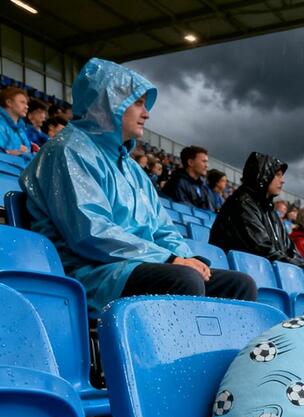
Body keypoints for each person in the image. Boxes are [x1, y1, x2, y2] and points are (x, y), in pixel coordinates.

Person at [21, 58, 256, 317]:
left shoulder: (131, 167)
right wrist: (168, 259)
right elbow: (91, 232)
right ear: (109, 103)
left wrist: (188, 258)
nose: (147, 113)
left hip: (136, 264)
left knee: (239, 285)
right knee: (184, 279)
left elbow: (162, 228)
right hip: (90, 271)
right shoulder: (68, 151)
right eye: (138, 103)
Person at [209, 151, 304, 268]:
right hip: (240, 270)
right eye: (278, 175)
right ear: (263, 175)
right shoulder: (242, 204)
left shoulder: (269, 210)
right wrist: (301, 266)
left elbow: (290, 249)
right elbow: (262, 250)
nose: (282, 180)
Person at [161, 144, 215, 210]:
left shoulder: (203, 187)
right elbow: (184, 210)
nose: (207, 165)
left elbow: (209, 211)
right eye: (204, 161)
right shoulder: (177, 183)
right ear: (190, 162)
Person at [0, 86, 32, 158]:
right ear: (9, 103)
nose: (27, 106)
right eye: (22, 102)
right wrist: (12, 151)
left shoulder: (21, 129)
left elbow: (26, 153)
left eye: (26, 103)